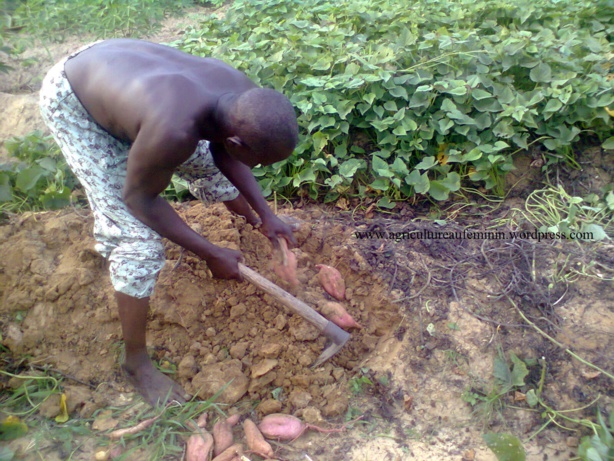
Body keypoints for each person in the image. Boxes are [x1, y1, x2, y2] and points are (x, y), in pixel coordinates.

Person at [39, 38, 299, 406]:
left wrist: (267, 216)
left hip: (115, 66)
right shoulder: (173, 130)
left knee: (207, 167)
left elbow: (227, 156)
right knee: (137, 244)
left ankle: (252, 223)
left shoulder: (243, 97)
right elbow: (140, 199)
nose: (257, 169)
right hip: (75, 98)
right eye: (260, 163)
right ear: (238, 141)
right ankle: (136, 363)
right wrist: (209, 252)